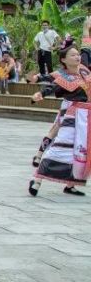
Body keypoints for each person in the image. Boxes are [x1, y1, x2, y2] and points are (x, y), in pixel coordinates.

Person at [27, 20, 91, 196]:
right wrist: (40, 94)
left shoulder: (84, 69)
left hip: (87, 116)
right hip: (73, 115)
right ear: (63, 60)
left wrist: (86, 29)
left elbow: (86, 48)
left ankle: (71, 184)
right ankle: (37, 179)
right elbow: (52, 86)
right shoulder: (63, 78)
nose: (77, 57)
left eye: (77, 55)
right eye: (73, 55)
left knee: (82, 151)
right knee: (60, 146)